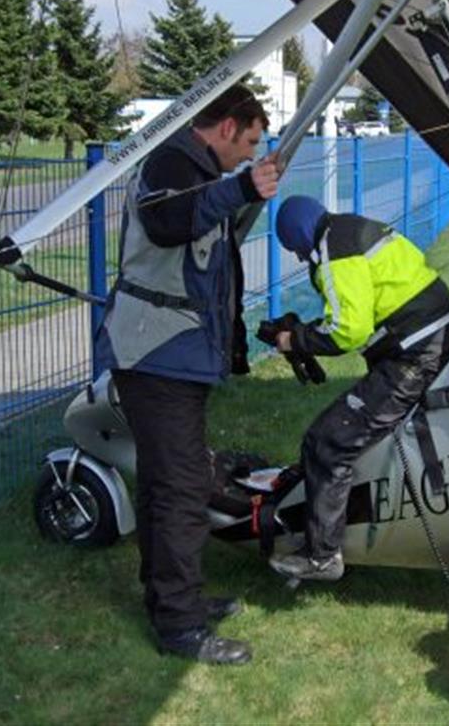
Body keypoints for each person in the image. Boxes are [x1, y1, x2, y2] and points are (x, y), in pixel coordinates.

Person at [95, 84, 278, 665]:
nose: (248, 155)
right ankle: (180, 625)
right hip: (155, 354)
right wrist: (243, 188)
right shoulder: (172, 163)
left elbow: (213, 267)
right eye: (248, 142)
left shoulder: (195, 169)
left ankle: (173, 599)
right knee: (180, 488)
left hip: (174, 353)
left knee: (166, 482)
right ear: (226, 128)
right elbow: (169, 222)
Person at [265, 195, 449, 581]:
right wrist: (307, 333)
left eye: (294, 249)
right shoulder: (350, 228)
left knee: (328, 441)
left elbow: (348, 330)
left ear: (298, 236)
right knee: (362, 434)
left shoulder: (334, 250)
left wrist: (294, 340)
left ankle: (322, 556)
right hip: (437, 338)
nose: (299, 258)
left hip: (416, 354)